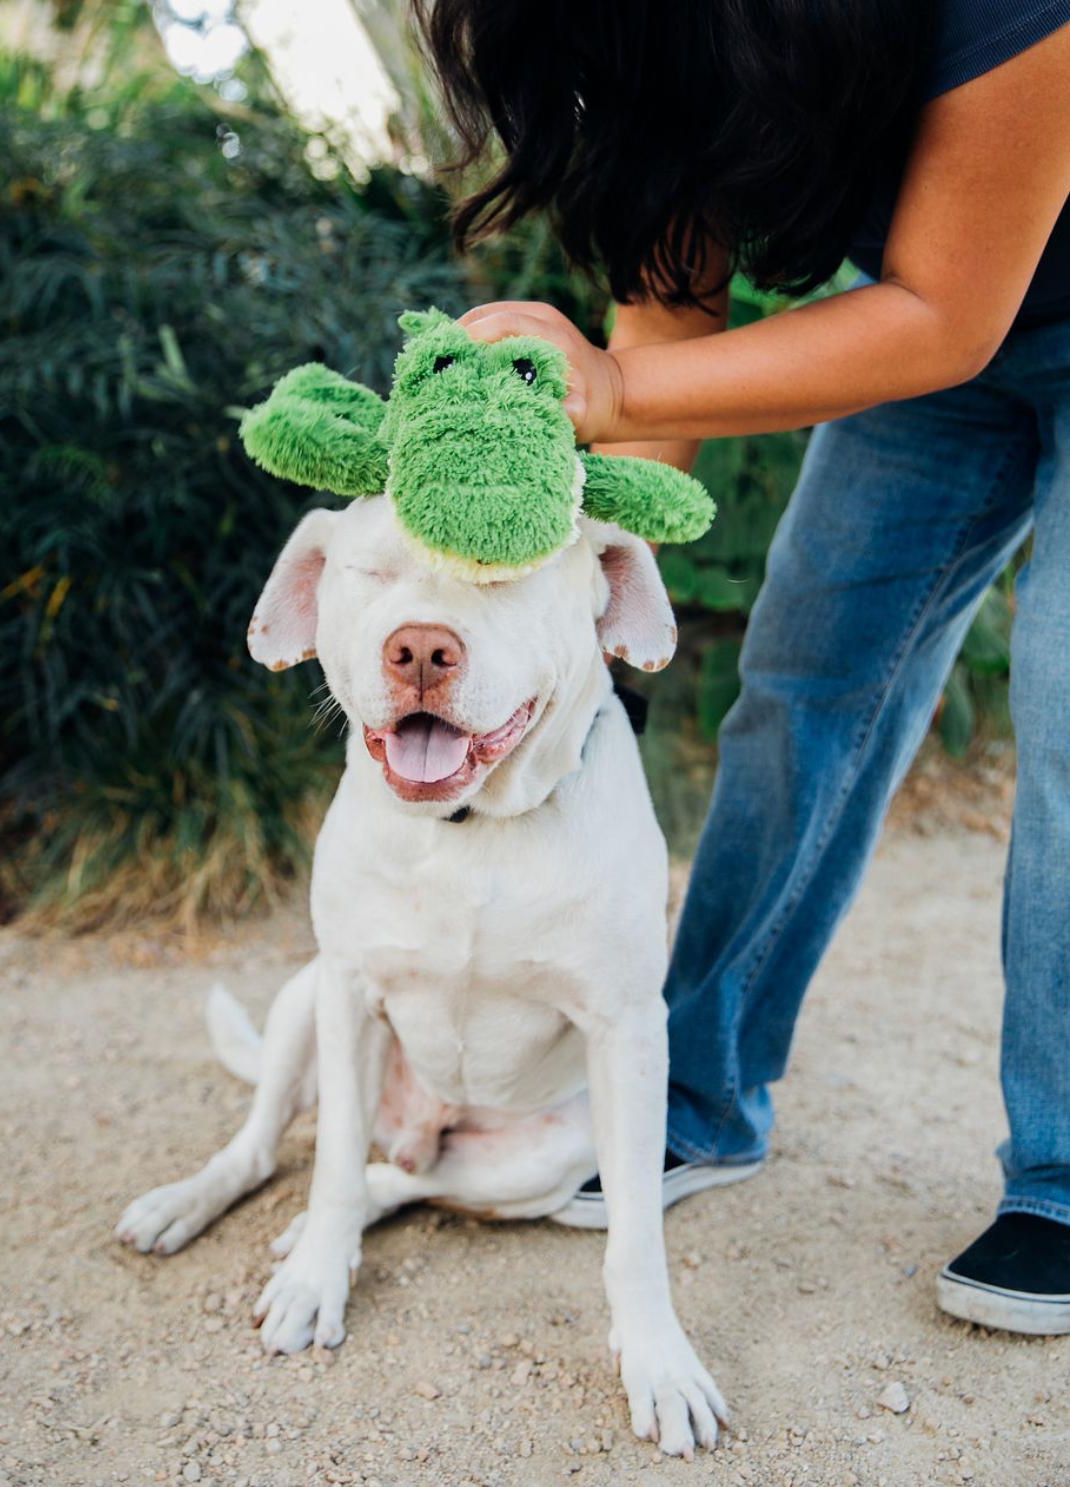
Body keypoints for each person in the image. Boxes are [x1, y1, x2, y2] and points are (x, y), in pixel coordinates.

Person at [415, 0, 1070, 1334]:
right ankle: (695, 1092)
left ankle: (1060, 1177)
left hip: (947, 312)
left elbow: (938, 311)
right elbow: (665, 323)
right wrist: (584, 665)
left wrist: (602, 394)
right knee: (801, 675)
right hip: (952, 348)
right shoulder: (675, 36)